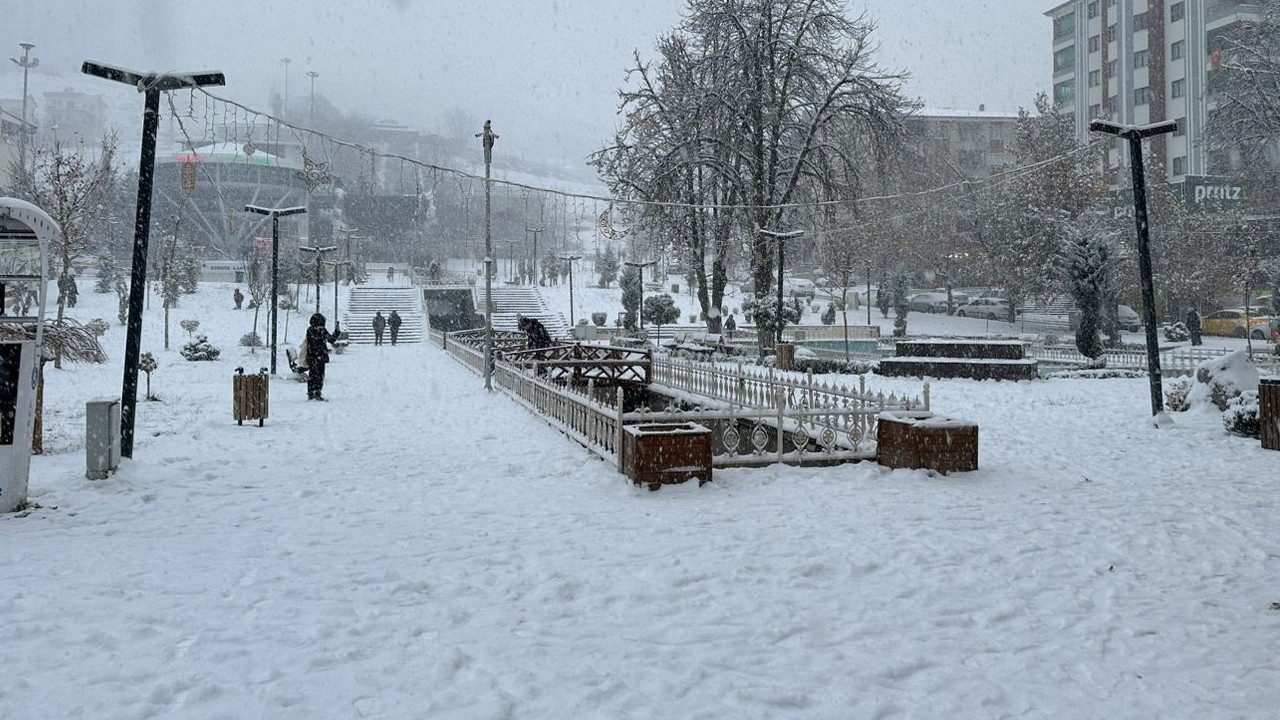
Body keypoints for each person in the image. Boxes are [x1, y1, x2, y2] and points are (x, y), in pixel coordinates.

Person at [305, 312, 333, 400]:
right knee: (316, 375)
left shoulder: (315, 330)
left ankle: (314, 392)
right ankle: (314, 392)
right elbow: (330, 340)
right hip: (316, 356)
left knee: (316, 374)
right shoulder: (315, 330)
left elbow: (330, 339)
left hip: (316, 356)